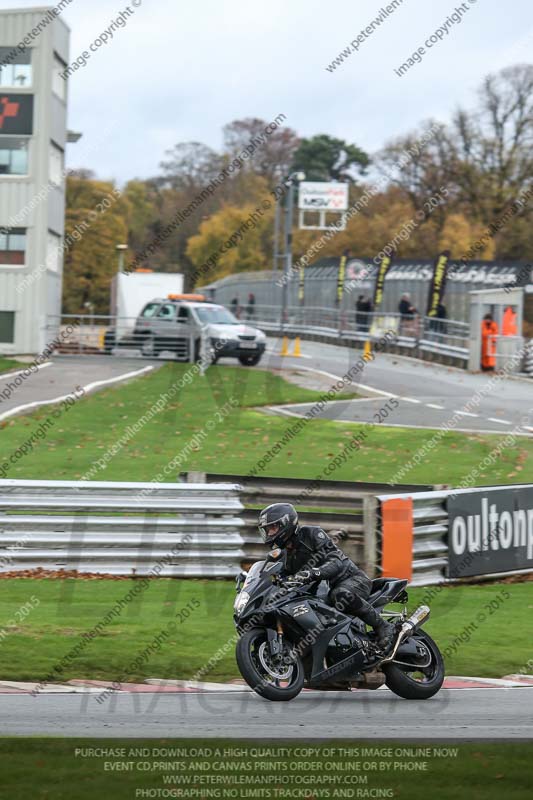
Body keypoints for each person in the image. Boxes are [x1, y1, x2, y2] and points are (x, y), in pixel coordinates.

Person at [258, 503, 395, 651]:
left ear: (285, 523)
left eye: (273, 528)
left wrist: (312, 573)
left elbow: (336, 561)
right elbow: (278, 576)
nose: (270, 533)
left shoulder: (312, 534)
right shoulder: (284, 554)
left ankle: (383, 626)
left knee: (340, 595)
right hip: (322, 593)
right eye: (267, 530)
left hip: (352, 580)